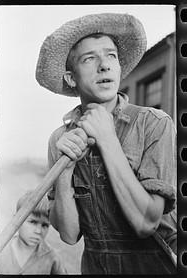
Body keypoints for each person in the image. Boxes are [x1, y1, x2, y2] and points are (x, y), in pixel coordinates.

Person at [36, 13, 177, 274]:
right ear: (71, 78)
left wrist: (107, 137)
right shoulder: (60, 140)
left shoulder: (154, 123)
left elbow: (146, 223)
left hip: (153, 266)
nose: (105, 65)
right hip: (95, 268)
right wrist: (65, 173)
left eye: (111, 56)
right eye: (90, 59)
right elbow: (68, 235)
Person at [0, 190, 67, 275]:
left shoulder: (53, 258)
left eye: (45, 225)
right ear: (16, 220)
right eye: (33, 222)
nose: (38, 231)